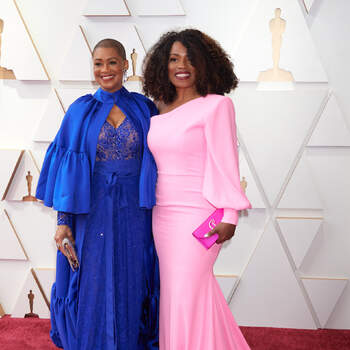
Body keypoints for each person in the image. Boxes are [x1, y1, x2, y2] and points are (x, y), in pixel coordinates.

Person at [36, 39, 159, 350]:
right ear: (92, 69)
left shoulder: (144, 108)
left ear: (125, 65)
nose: (106, 69)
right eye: (99, 63)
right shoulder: (80, 111)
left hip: (135, 210)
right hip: (91, 210)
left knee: (133, 277)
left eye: (113, 62)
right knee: (91, 281)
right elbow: (67, 174)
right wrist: (63, 222)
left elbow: (161, 160)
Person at [143, 29, 252, 350]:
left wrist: (230, 214)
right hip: (162, 217)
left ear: (204, 64)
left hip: (198, 217)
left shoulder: (216, 106)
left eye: (190, 59)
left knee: (186, 295)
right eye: (174, 58)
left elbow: (226, 162)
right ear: (164, 64)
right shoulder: (159, 107)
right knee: (181, 297)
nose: (182, 65)